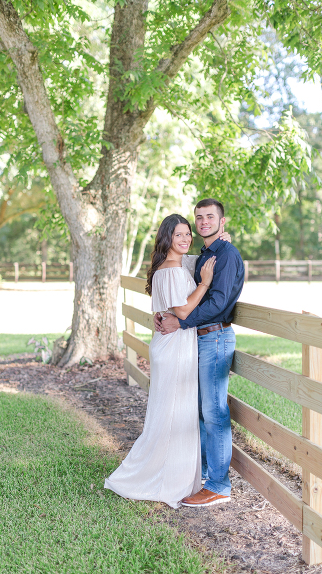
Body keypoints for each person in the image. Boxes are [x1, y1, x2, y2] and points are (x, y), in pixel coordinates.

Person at [104, 214, 216, 508]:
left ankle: (174, 473)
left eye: (188, 234)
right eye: (179, 235)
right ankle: (163, 477)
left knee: (174, 410)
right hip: (174, 346)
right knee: (174, 412)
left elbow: (192, 262)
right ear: (167, 237)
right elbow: (181, 311)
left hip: (172, 344)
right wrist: (204, 285)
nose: (186, 239)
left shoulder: (172, 266)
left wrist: (222, 238)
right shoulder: (170, 270)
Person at [153, 198, 245, 508]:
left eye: (210, 217)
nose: (203, 222)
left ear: (222, 221)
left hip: (215, 338)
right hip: (197, 339)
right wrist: (167, 312)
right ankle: (205, 472)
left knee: (214, 411)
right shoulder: (207, 253)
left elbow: (218, 303)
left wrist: (179, 321)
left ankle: (219, 485)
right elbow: (175, 272)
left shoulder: (227, 255)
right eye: (199, 217)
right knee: (202, 409)